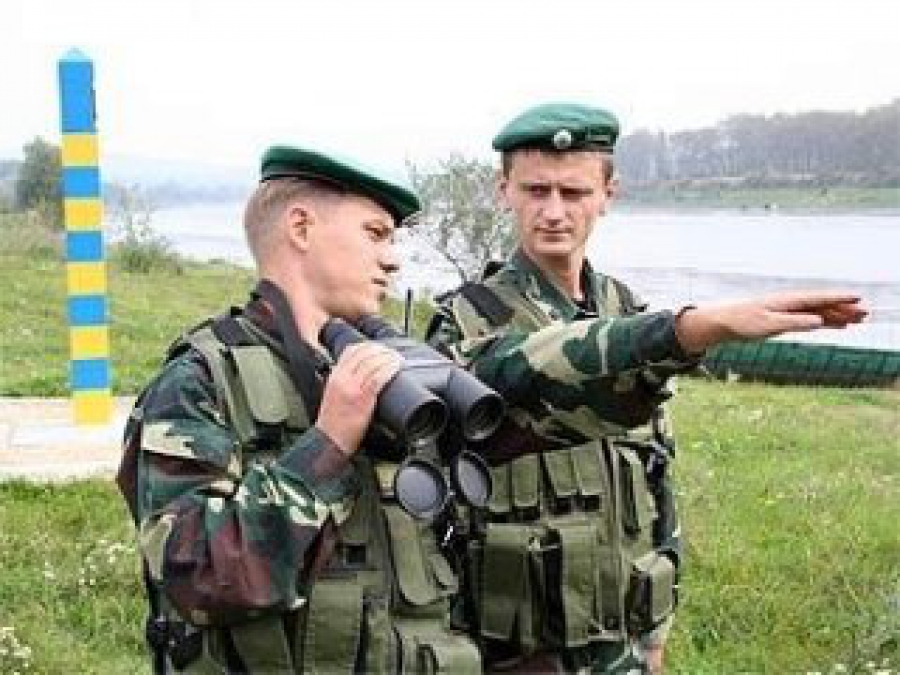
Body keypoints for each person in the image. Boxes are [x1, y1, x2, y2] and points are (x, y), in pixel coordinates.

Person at [426, 102, 866, 673]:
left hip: (623, 642)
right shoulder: (464, 322)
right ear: (503, 190)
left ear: (608, 194)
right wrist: (690, 330)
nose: (553, 212)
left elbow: (657, 474)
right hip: (517, 650)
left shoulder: (626, 308)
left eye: (574, 192)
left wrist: (656, 628)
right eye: (535, 190)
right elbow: (515, 378)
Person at [116, 145, 482, 673]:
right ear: (301, 228)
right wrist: (329, 445)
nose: (393, 259)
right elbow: (196, 576)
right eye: (375, 233)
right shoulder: (201, 381)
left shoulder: (389, 375)